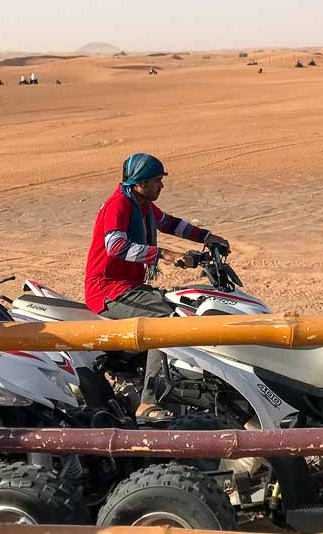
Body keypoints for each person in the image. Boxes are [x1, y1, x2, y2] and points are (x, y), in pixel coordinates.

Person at [84, 153, 230, 419]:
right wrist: (164, 254)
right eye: (156, 181)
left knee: (185, 303)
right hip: (109, 290)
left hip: (129, 286)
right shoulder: (119, 205)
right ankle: (147, 402)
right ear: (139, 183)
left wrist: (207, 237)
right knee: (166, 319)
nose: (161, 186)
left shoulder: (142, 205)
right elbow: (115, 247)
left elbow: (170, 223)